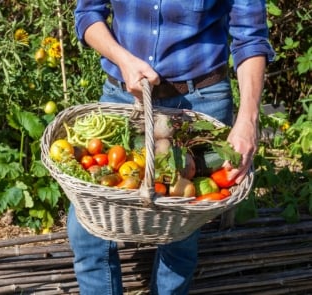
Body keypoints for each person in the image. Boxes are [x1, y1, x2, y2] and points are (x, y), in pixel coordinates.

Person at [68, 1, 275, 294]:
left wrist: (248, 120)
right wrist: (123, 60)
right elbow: (87, 14)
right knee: (87, 229)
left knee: (181, 235)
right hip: (125, 99)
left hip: (199, 103)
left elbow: (250, 37)